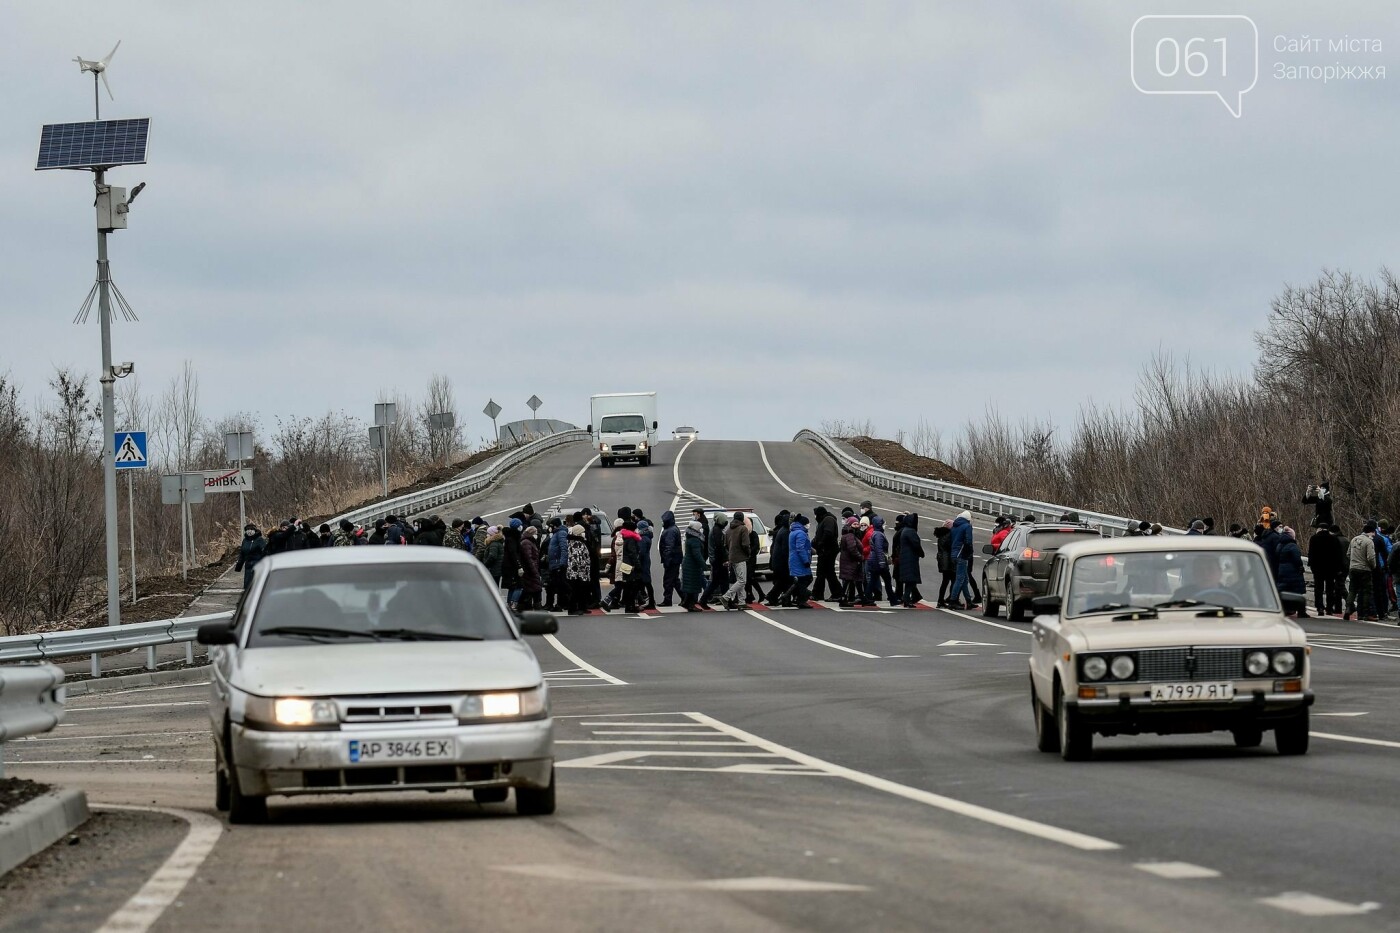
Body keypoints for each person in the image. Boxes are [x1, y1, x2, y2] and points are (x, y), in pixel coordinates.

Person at [1345, 522, 1379, 621]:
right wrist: (1373, 566)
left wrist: (1353, 562)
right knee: (1366, 591)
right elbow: (1371, 557)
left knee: (1352, 589)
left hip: (1353, 568)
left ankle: (1348, 608)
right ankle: (1363, 613)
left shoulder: (1353, 539)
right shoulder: (1369, 542)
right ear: (1371, 532)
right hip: (1364, 569)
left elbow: (1348, 554)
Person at [721, 511, 753, 610]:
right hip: (741, 557)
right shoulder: (743, 529)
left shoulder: (728, 530)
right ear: (742, 519)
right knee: (742, 581)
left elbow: (725, 545)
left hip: (732, 557)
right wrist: (748, 553)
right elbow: (745, 544)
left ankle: (741, 602)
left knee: (739, 579)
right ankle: (726, 596)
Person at [1308, 523, 1342, 616]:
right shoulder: (1334, 539)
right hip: (1330, 568)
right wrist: (1338, 568)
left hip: (1318, 568)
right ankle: (1329, 608)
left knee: (1318, 588)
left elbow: (1311, 553)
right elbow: (1338, 555)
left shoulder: (1314, 538)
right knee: (1330, 589)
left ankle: (1319, 607)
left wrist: (1311, 566)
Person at [811, 506, 842, 601]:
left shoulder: (828, 519)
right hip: (825, 550)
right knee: (823, 572)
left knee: (827, 572)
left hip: (828, 550)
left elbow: (828, 533)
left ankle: (837, 593)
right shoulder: (824, 520)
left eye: (816, 515)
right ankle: (818, 593)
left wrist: (821, 543)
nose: (815, 517)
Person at [896, 512, 925, 608]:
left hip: (906, 558)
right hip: (910, 559)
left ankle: (907, 598)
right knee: (911, 580)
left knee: (910, 581)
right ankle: (907, 599)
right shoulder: (910, 532)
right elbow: (916, 544)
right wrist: (921, 553)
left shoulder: (905, 530)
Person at [864, 516, 894, 607]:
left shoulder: (876, 533)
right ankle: (893, 600)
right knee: (887, 581)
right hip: (878, 561)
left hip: (874, 560)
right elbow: (879, 548)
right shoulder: (879, 535)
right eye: (883, 524)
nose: (885, 526)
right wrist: (882, 562)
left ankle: (867, 598)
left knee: (873, 580)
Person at [1277, 527, 1307, 617]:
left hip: (1281, 570)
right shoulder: (1292, 546)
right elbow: (1297, 559)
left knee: (1285, 590)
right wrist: (1300, 567)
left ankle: (1286, 609)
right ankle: (1301, 611)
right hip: (1293, 571)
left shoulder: (1279, 545)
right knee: (1297, 591)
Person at [702, 514, 730, 607]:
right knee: (719, 582)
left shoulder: (716, 530)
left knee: (721, 582)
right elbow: (719, 547)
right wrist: (724, 560)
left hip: (716, 560)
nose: (726, 523)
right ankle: (703, 600)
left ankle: (726, 600)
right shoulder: (717, 531)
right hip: (718, 560)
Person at [766, 510, 793, 607]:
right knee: (784, 581)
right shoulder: (785, 532)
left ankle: (777, 598)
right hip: (782, 562)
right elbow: (786, 549)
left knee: (783, 581)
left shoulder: (782, 531)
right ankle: (773, 596)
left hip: (778, 561)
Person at [681, 520, 708, 611]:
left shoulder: (690, 537)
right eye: (700, 528)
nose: (701, 530)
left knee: (690, 586)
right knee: (693, 586)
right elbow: (697, 554)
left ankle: (686, 602)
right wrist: (704, 565)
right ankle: (691, 605)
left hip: (689, 564)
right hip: (692, 565)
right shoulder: (695, 540)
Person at [837, 516, 865, 608]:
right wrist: (860, 557)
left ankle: (859, 598)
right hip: (850, 562)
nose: (856, 526)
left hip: (850, 561)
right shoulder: (850, 535)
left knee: (850, 580)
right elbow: (852, 549)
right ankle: (843, 598)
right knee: (848, 580)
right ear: (849, 525)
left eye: (857, 524)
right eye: (854, 524)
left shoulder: (850, 535)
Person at [787, 513, 814, 607]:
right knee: (804, 580)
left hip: (795, 560)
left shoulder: (794, 531)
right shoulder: (801, 533)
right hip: (800, 561)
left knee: (803, 580)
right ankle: (802, 599)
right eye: (808, 523)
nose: (809, 525)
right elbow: (800, 548)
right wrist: (806, 561)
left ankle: (797, 597)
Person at [565, 524, 592, 615]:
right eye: (582, 532)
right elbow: (576, 559)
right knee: (576, 591)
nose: (584, 534)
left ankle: (582, 607)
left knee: (582, 591)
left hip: (580, 571)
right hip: (577, 572)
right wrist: (583, 568)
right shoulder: (576, 544)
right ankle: (572, 609)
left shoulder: (578, 542)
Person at [658, 511, 683, 607]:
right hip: (674, 559)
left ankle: (667, 599)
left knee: (668, 580)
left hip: (672, 559)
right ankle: (684, 597)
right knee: (674, 580)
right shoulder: (672, 529)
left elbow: (669, 547)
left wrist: (667, 560)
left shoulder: (670, 531)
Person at [546, 517, 569, 611]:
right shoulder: (556, 533)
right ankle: (551, 604)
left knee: (559, 585)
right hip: (554, 563)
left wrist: (562, 563)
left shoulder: (561, 533)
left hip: (558, 564)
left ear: (554, 526)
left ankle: (559, 604)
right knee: (554, 585)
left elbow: (564, 548)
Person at [518, 526, 543, 611]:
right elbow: (528, 558)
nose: (537, 535)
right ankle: (536, 607)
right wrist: (534, 570)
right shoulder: (526, 542)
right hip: (530, 570)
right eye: (535, 533)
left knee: (530, 589)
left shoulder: (529, 541)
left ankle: (523, 606)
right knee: (535, 589)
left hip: (530, 569)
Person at [501, 519, 524, 609]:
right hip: (512, 566)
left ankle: (509, 604)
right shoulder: (513, 539)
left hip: (508, 566)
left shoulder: (509, 537)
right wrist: (519, 566)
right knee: (519, 586)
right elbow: (513, 553)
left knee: (512, 586)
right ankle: (514, 603)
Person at [234, 524, 265, 590]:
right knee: (247, 584)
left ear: (254, 530)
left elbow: (264, 552)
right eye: (247, 530)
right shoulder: (245, 540)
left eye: (251, 529)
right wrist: (239, 565)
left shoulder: (259, 540)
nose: (249, 531)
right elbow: (242, 553)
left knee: (256, 583)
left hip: (257, 563)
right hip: (248, 564)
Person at [637, 518, 658, 610]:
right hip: (646, 562)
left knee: (645, 582)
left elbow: (641, 552)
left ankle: (650, 602)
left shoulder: (642, 539)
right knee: (646, 583)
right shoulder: (647, 536)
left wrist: (637, 562)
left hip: (643, 563)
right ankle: (649, 601)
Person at [935, 524, 955, 607]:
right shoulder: (948, 536)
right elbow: (950, 547)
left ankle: (941, 600)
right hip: (948, 561)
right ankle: (950, 599)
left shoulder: (941, 536)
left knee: (945, 581)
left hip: (942, 560)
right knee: (952, 580)